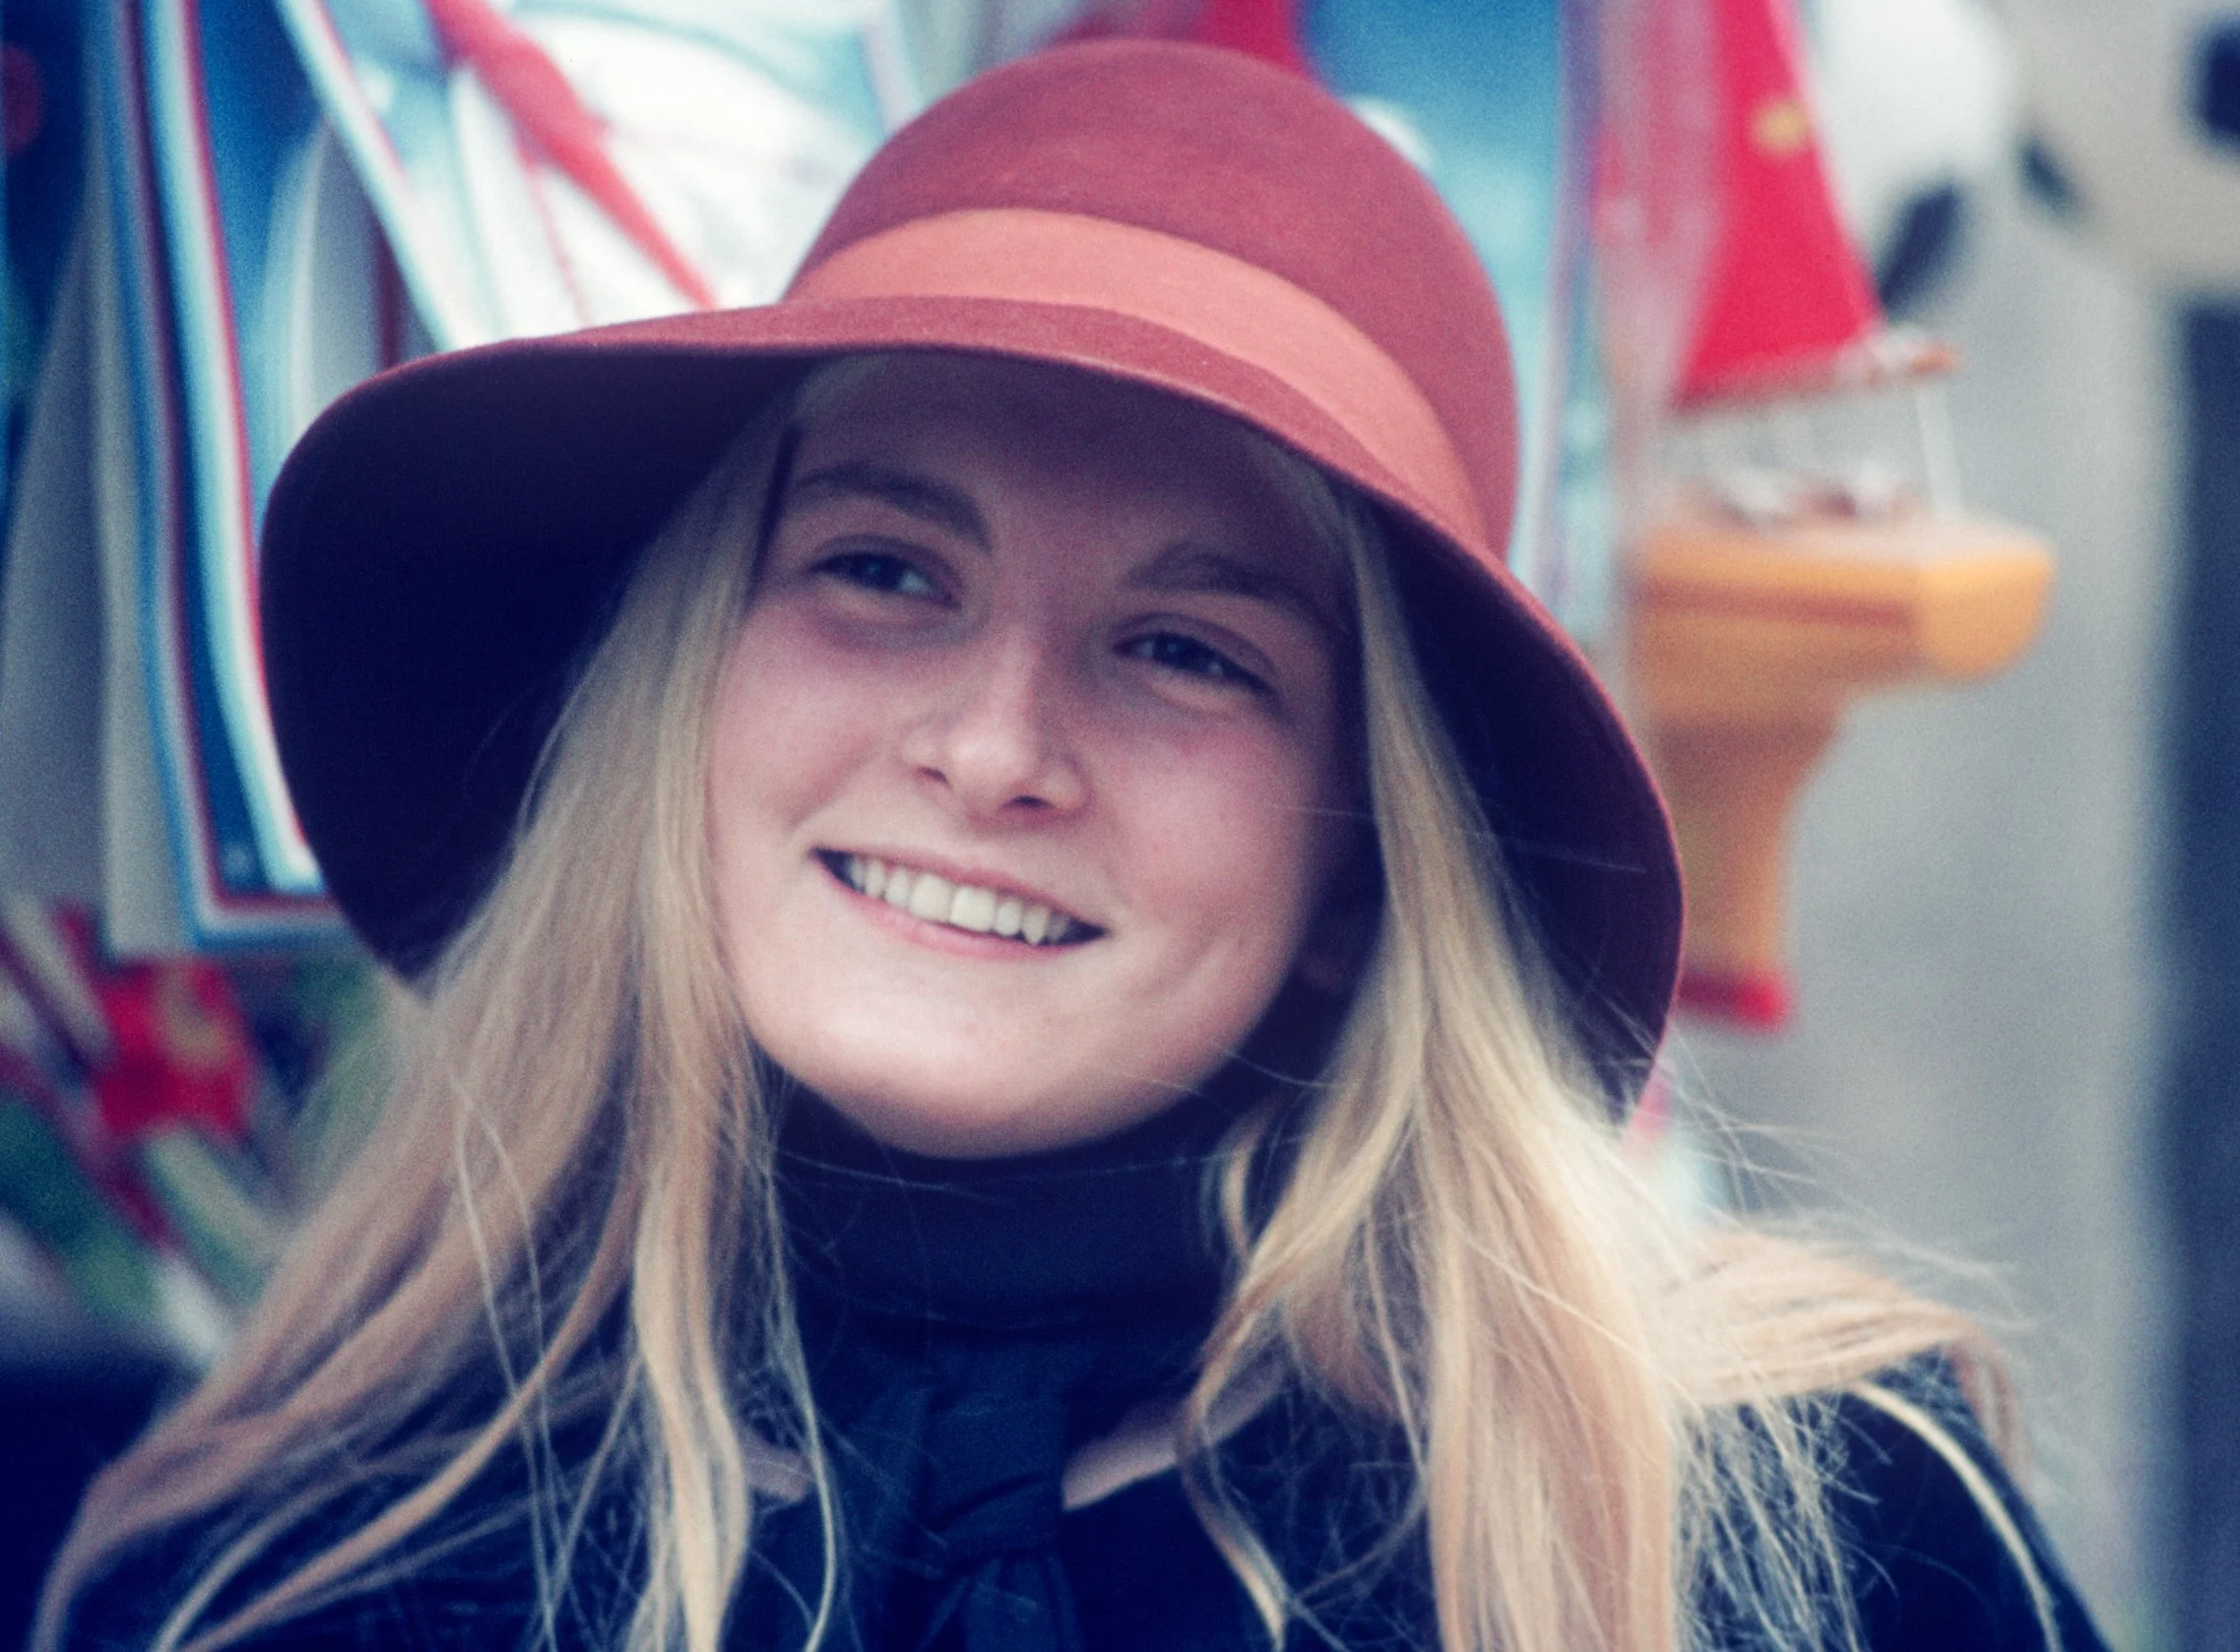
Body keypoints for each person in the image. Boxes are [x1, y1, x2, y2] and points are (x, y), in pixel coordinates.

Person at [38, 40, 2110, 1652]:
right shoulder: (289, 1576)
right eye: (882, 566)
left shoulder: (1782, 1534)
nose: (996, 742)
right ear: (679, 691)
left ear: (1367, 860)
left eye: (1187, 649)